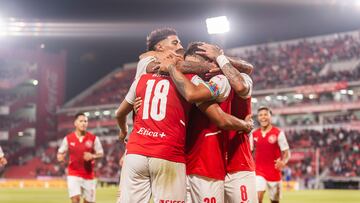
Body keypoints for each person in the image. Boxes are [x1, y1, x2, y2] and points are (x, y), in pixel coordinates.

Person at [116, 29, 253, 203]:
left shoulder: (144, 75)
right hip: (169, 153)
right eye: (175, 43)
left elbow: (120, 112)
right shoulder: (155, 66)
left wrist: (123, 131)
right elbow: (211, 110)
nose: (179, 46)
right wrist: (214, 64)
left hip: (140, 149)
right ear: (159, 47)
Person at [165, 42, 254, 203]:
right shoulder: (193, 82)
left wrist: (220, 57)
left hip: (238, 161)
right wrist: (245, 125)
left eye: (194, 63)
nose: (190, 68)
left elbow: (243, 80)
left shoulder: (227, 80)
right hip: (204, 162)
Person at [196, 43, 258, 203]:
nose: (210, 64)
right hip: (210, 165)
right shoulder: (200, 85)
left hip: (238, 162)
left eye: (213, 59)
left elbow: (241, 85)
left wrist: (220, 57)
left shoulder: (243, 79)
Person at [57, 112, 104, 203]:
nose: (83, 123)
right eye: (81, 121)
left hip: (88, 175)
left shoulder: (94, 138)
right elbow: (60, 152)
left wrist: (93, 156)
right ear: (75, 123)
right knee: (76, 199)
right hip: (73, 174)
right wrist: (60, 157)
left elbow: (101, 153)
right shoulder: (68, 139)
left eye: (85, 121)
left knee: (89, 201)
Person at [251, 106, 291, 203]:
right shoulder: (254, 134)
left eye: (265, 114)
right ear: (258, 118)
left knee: (274, 201)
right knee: (258, 197)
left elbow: (286, 152)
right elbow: (250, 152)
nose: (263, 117)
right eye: (260, 115)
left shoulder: (278, 133)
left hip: (274, 173)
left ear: (270, 117)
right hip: (259, 172)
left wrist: (283, 162)